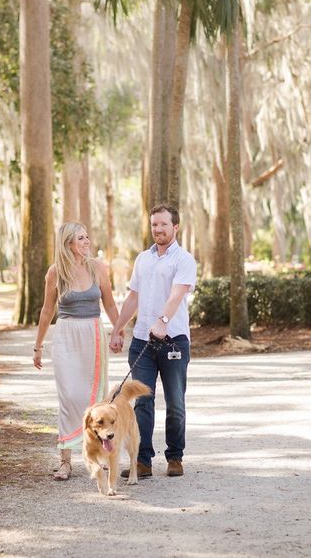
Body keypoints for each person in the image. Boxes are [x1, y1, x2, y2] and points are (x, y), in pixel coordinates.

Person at [110, 204, 197, 479]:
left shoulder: (183, 259)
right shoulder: (142, 260)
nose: (158, 229)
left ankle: (175, 457)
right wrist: (117, 329)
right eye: (154, 225)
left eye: (163, 224)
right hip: (142, 344)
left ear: (175, 227)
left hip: (173, 342)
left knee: (175, 403)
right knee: (142, 403)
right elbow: (133, 297)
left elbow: (177, 295)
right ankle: (143, 460)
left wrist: (162, 320)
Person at [33, 222, 120, 481]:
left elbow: (110, 303)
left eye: (86, 237)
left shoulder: (97, 268)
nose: (86, 242)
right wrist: (38, 346)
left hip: (92, 334)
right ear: (68, 243)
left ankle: (98, 455)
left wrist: (118, 330)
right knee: (69, 397)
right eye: (80, 238)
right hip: (66, 336)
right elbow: (47, 311)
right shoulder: (56, 272)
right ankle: (65, 461)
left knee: (95, 399)